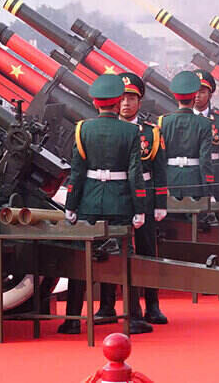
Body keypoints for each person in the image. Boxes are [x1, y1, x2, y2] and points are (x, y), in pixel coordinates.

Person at [60, 74, 148, 335]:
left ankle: (73, 319)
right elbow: (135, 173)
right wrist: (139, 208)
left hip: (89, 201)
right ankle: (133, 317)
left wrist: (71, 205)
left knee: (80, 261)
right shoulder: (131, 131)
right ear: (118, 101)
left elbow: (76, 172)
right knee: (125, 261)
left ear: (95, 102)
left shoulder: (82, 129)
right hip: (120, 204)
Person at [116, 72, 167, 329]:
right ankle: (111, 305)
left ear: (140, 101)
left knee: (148, 250)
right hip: (118, 193)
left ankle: (153, 305)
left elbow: (159, 172)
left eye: (132, 98)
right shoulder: (110, 130)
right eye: (122, 98)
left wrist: (160, 204)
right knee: (115, 250)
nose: (126, 103)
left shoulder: (151, 132)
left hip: (145, 194)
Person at [157, 70, 216, 200]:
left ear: (175, 96)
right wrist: (208, 190)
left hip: (170, 178)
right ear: (194, 95)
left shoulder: (163, 121)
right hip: (194, 179)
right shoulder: (205, 123)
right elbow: (205, 160)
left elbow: (160, 158)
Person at [192, 70, 219, 202]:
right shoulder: (182, 119)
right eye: (194, 91)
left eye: (202, 92)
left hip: (216, 173)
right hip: (192, 174)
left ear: (210, 95)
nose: (197, 96)